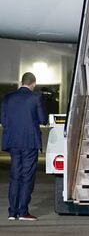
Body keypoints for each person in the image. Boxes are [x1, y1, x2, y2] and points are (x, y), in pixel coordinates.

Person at [1, 72, 47, 221]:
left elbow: (3, 120)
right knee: (27, 177)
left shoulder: (8, 98)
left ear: (22, 82)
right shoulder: (36, 97)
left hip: (13, 142)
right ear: (33, 83)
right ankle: (23, 212)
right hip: (29, 142)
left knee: (15, 176)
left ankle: (12, 212)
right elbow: (43, 119)